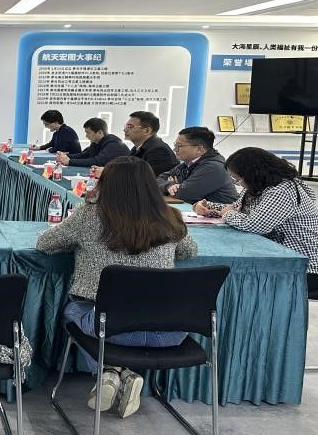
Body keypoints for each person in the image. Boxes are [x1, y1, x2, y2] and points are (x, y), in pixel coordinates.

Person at [36, 156, 197, 419]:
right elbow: (189, 251)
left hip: (110, 329)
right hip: (170, 331)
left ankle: (108, 371)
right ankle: (122, 373)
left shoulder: (88, 216)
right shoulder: (170, 217)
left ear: (105, 184)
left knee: (72, 312)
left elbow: (45, 243)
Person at [194, 147, 318, 290]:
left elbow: (255, 225)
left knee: (227, 281)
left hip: (303, 269)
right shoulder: (258, 186)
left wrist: (227, 214)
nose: (238, 183)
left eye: (238, 179)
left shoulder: (282, 190)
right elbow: (237, 209)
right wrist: (206, 206)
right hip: (275, 258)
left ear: (252, 174)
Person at [157, 127, 239, 204]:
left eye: (179, 146)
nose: (175, 149)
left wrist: (177, 186)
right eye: (175, 145)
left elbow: (183, 195)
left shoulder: (213, 167)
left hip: (221, 213)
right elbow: (156, 182)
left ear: (199, 149)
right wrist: (169, 185)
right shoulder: (187, 163)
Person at [55, 118, 129, 168]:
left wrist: (69, 162)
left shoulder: (113, 143)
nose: (86, 136)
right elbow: (84, 155)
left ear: (99, 132)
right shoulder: (96, 142)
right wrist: (65, 156)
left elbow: (98, 161)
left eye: (88, 133)